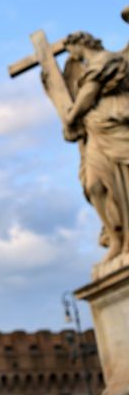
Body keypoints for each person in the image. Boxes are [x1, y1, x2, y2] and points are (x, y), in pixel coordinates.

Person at [61, 31, 129, 260]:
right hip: (95, 131)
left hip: (114, 124)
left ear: (80, 44)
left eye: (72, 51)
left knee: (124, 185)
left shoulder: (108, 60)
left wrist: (71, 119)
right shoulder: (91, 65)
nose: (72, 56)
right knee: (94, 186)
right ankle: (116, 239)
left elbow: (89, 93)